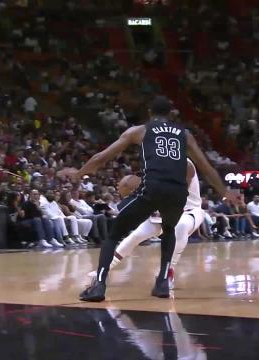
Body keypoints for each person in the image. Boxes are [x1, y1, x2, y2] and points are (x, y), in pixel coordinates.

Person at [58, 96, 239, 301]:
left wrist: (78, 173)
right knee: (169, 230)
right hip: (178, 193)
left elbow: (103, 157)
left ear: (149, 113)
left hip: (152, 188)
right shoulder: (185, 135)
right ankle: (162, 282)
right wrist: (225, 192)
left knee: (113, 235)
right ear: (171, 114)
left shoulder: (140, 131)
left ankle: (99, 285)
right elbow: (207, 168)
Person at [89, 159, 205, 289]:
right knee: (135, 236)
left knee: (180, 226)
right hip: (162, 211)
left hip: (189, 211)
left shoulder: (185, 164)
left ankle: (168, 272)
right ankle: (104, 270)